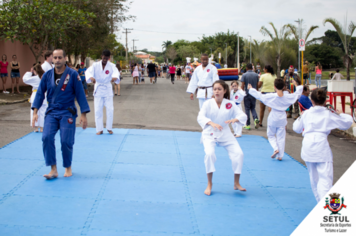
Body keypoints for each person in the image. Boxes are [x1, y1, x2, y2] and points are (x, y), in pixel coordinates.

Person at [32, 49, 90, 179]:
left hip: (67, 111)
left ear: (64, 59)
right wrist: (35, 111)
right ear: (52, 59)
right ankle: (53, 169)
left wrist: (83, 114)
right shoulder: (47, 75)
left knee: (65, 140)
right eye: (55, 58)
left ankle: (67, 167)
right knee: (46, 137)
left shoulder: (73, 75)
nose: (57, 60)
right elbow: (40, 94)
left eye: (60, 58)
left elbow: (80, 94)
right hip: (52, 111)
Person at [293, 89, 353, 202]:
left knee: (314, 179)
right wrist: (339, 113)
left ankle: (320, 202)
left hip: (308, 146)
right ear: (325, 101)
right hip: (321, 146)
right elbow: (346, 123)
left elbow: (296, 128)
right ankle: (324, 204)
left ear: (311, 100)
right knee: (325, 179)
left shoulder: (306, 113)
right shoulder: (329, 114)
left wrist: (301, 116)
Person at [198, 80, 247, 196]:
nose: (217, 91)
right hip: (210, 132)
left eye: (219, 89)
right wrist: (211, 123)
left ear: (225, 91)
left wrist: (236, 119)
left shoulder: (230, 104)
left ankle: (236, 182)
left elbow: (242, 115)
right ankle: (209, 183)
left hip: (225, 132)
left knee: (239, 154)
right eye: (215, 89)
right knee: (209, 154)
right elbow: (200, 117)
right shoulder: (208, 103)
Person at [248, 78, 302, 161]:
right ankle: (280, 155)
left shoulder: (272, 96)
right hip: (282, 117)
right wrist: (296, 85)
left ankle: (276, 148)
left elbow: (260, 96)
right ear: (284, 87)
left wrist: (251, 89)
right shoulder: (288, 96)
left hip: (273, 117)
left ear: (274, 87)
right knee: (281, 137)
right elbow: (297, 94)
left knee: (270, 135)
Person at [85, 50, 120, 135]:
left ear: (109, 58)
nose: (105, 59)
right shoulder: (95, 65)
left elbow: (116, 74)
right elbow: (87, 72)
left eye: (107, 58)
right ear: (101, 56)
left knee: (110, 109)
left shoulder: (112, 66)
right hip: (99, 88)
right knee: (98, 110)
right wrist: (91, 78)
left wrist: (114, 77)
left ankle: (109, 128)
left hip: (107, 88)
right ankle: (99, 129)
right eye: (104, 58)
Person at [23, 64, 48, 132]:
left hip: (35, 94)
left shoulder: (35, 78)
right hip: (44, 95)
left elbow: (25, 79)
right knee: (43, 112)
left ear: (34, 71)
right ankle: (42, 128)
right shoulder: (44, 77)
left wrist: (29, 72)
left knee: (34, 112)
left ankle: (36, 128)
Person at [240, 63, 259, 130]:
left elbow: (243, 85)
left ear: (247, 68)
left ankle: (247, 124)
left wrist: (241, 93)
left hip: (247, 94)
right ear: (252, 68)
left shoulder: (244, 75)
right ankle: (255, 118)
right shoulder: (256, 75)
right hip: (254, 94)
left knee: (247, 109)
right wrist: (256, 93)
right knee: (253, 108)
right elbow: (257, 85)